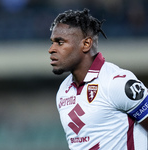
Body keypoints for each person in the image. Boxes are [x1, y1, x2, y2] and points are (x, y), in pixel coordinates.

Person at [48, 8, 148, 150]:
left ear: (86, 44)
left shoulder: (116, 82)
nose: (51, 49)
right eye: (52, 42)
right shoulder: (63, 90)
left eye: (60, 42)